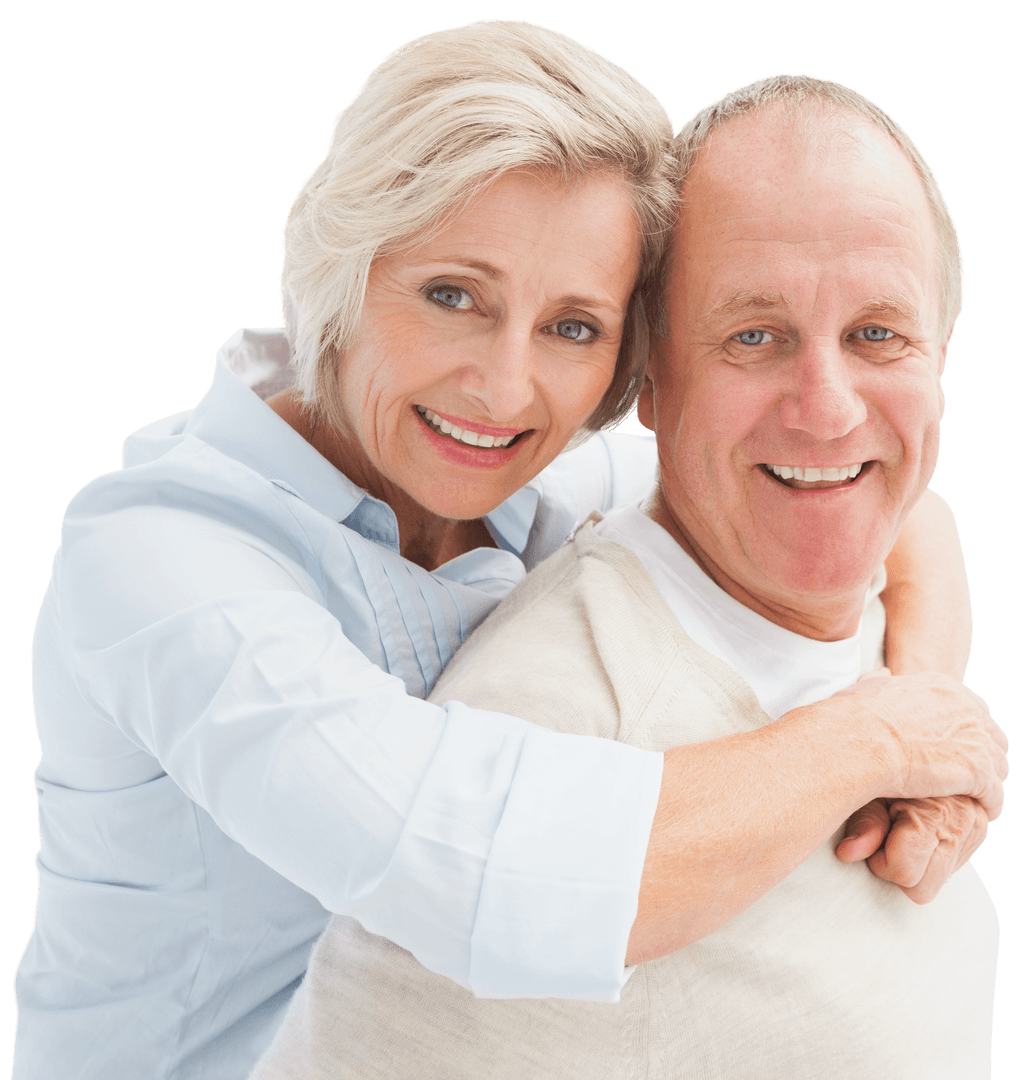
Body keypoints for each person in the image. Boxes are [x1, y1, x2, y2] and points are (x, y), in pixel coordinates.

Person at [15, 23, 982, 1080]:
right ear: (342, 265)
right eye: (452, 296)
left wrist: (930, 724)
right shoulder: (161, 564)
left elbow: (887, 512)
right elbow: (486, 877)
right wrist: (874, 739)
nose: (503, 388)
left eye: (571, 326)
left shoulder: (515, 489)